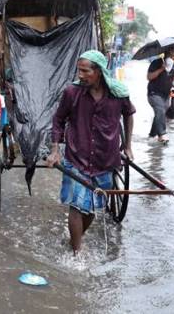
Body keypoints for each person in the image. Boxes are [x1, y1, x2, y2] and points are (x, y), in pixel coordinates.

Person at [47, 50, 135, 254]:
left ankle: (74, 239)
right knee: (77, 206)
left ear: (99, 72)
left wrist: (128, 145)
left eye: (85, 71)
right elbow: (58, 120)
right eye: (79, 70)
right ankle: (76, 253)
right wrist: (55, 150)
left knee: (93, 207)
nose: (81, 75)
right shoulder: (72, 93)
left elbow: (129, 115)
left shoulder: (118, 93)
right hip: (77, 156)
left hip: (106, 159)